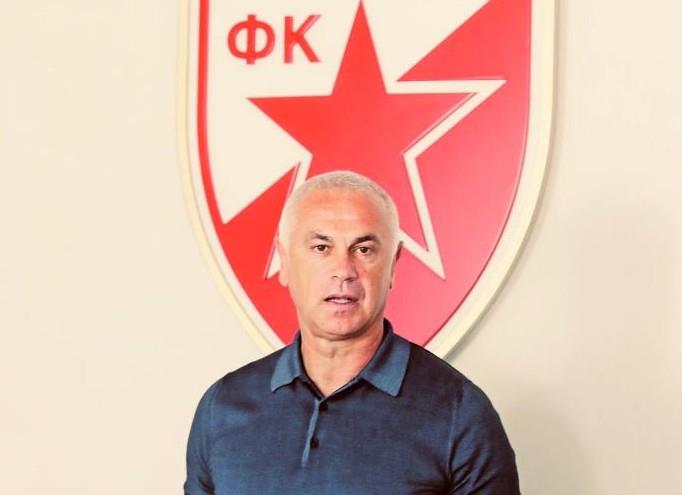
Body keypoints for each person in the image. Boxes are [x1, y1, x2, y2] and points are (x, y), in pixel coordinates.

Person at [184, 171, 519, 494]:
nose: (343, 270)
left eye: (364, 250)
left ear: (393, 264)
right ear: (284, 260)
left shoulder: (460, 413)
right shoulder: (221, 407)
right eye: (321, 248)